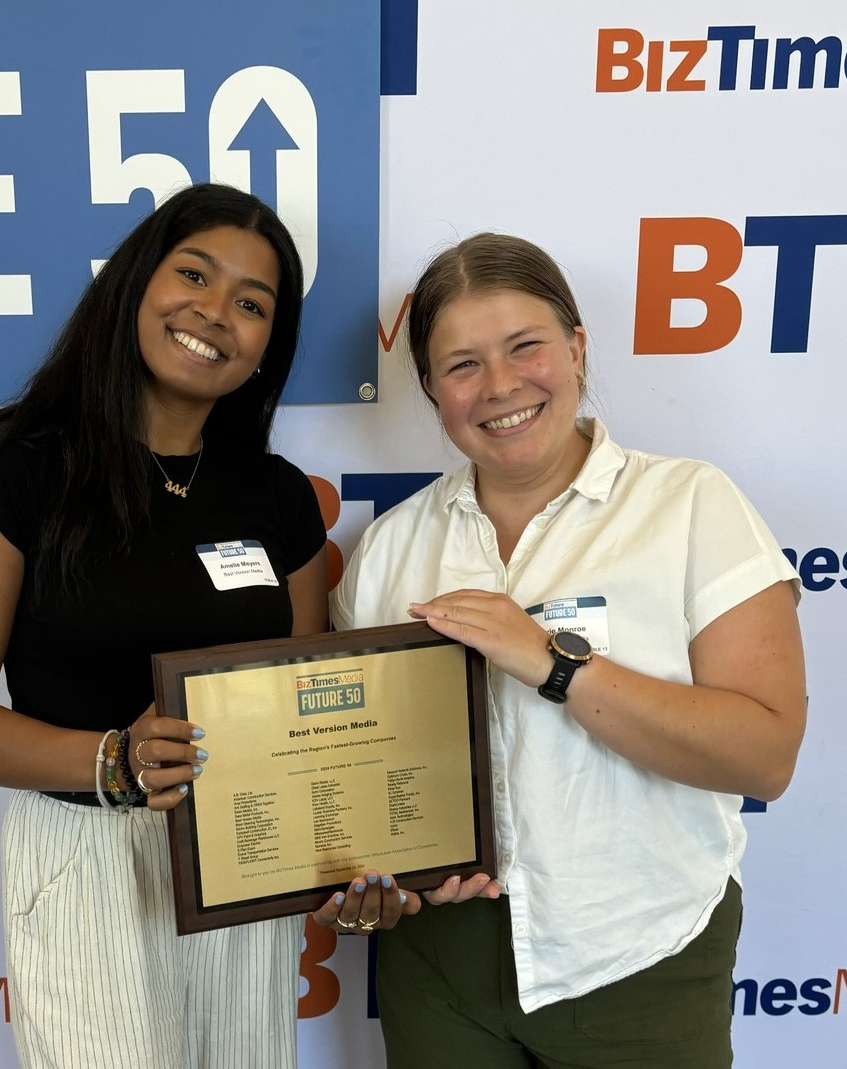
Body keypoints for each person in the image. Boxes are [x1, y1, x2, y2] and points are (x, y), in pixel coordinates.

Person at [328, 233, 807, 1067]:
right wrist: (384, 874)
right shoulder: (390, 549)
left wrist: (550, 661)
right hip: (439, 966)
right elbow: (357, 773)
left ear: (577, 350)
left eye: (525, 347)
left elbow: (764, 756)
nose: (502, 386)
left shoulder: (690, 503)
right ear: (431, 390)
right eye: (461, 365)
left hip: (638, 952)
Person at [0, 183, 329, 1069]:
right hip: (85, 851)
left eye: (252, 305)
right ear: (135, 283)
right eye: (194, 275)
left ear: (266, 347)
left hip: (241, 848)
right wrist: (114, 760)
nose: (214, 313)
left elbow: (307, 707)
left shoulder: (277, 495)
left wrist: (350, 846)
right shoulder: (10, 472)